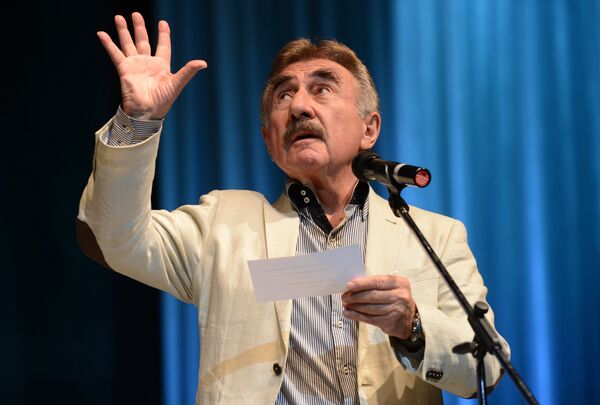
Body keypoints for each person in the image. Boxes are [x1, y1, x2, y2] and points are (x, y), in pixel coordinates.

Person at [77, 12, 509, 404]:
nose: (300, 106)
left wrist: (412, 325)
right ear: (270, 141)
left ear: (370, 128)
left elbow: (487, 367)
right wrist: (139, 121)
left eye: (322, 89)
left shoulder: (434, 235)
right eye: (284, 96)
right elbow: (111, 238)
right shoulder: (222, 227)